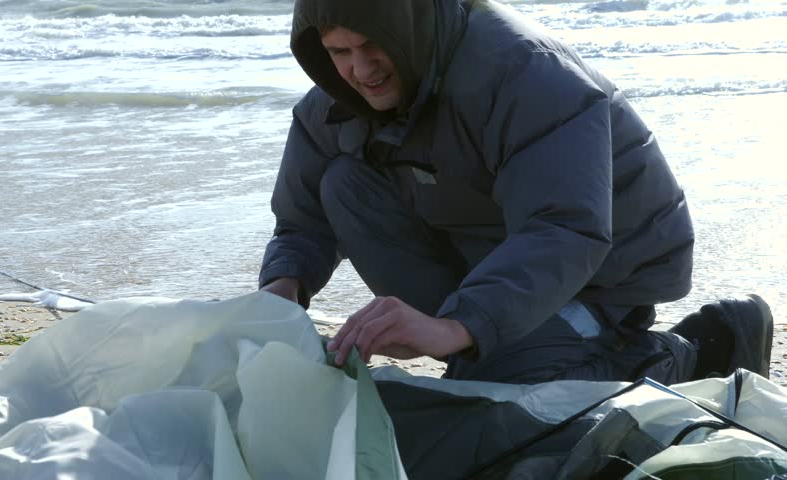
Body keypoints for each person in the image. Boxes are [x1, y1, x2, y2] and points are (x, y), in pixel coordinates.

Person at [259, 0, 773, 384]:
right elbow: (302, 221)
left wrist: (459, 324)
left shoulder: (526, 71)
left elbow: (565, 227)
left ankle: (702, 347)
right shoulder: (334, 100)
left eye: (373, 45)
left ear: (408, 26)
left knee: (511, 389)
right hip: (493, 245)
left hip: (607, 269)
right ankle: (489, 343)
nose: (361, 70)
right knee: (342, 182)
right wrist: (281, 295)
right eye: (339, 52)